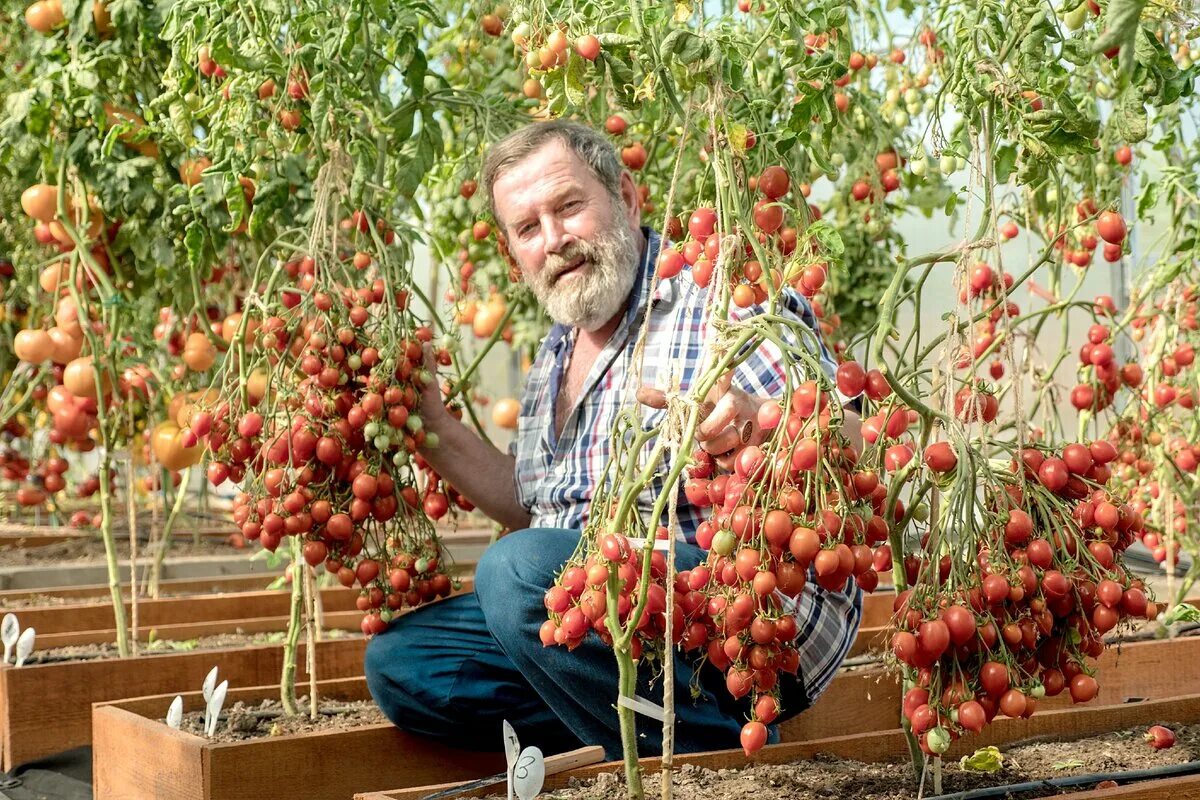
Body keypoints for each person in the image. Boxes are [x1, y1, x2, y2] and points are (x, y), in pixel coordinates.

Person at [365, 120, 862, 760]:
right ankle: (617, 728)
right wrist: (429, 426)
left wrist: (758, 417)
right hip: (611, 609)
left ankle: (706, 753)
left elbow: (856, 437)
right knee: (406, 662)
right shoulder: (555, 351)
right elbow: (538, 511)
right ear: (515, 253)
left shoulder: (721, 297)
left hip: (742, 616)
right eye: (527, 228)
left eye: (569, 207)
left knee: (515, 571)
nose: (554, 241)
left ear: (625, 198)